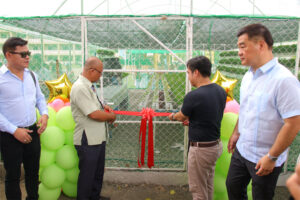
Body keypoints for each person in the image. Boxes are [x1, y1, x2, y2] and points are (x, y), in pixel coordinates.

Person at [226, 23, 300, 200]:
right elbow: (245, 108)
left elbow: (293, 123)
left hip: (265, 157)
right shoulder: (248, 76)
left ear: (260, 45)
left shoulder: (284, 81)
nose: (239, 52)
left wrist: (272, 157)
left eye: (243, 46)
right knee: (233, 188)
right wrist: (236, 133)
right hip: (242, 150)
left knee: (261, 196)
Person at [168, 56, 226, 200]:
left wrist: (173, 116)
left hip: (201, 149)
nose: (188, 76)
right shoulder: (220, 91)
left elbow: (182, 116)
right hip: (215, 146)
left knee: (198, 190)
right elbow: (209, 114)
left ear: (196, 72)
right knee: (207, 183)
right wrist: (194, 121)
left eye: (188, 72)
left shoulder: (194, 96)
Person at [0, 37, 48, 200]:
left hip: (32, 131)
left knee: (33, 173)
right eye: (23, 54)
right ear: (9, 55)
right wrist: (14, 131)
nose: (28, 57)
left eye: (28, 53)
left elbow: (40, 98)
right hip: (9, 135)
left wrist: (45, 114)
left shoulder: (31, 76)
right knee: (13, 176)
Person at [70, 56, 116, 200]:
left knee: (97, 173)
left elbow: (95, 108)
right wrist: (111, 117)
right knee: (87, 175)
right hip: (87, 139)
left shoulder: (88, 86)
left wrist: (104, 108)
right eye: (99, 72)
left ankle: (94, 196)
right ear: (91, 70)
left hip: (97, 137)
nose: (100, 76)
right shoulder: (80, 87)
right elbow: (93, 114)